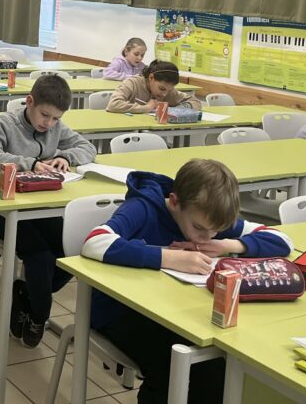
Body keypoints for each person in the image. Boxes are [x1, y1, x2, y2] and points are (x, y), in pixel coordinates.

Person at [82, 159, 293, 403]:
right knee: (170, 370)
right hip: (117, 310)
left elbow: (282, 240)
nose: (206, 236)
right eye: (199, 228)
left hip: (173, 313)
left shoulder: (207, 218)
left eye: (215, 231)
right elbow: (94, 242)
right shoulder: (143, 207)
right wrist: (168, 258)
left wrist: (228, 244)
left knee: (215, 367)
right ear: (174, 202)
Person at [0, 75, 96, 347]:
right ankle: (39, 315)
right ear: (30, 102)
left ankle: (28, 295)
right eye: (45, 115)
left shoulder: (56, 127)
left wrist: (64, 157)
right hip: (1, 211)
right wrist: (29, 163)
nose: (48, 123)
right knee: (41, 258)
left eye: (55, 118)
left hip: (40, 209)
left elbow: (88, 147)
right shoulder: (7, 123)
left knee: (74, 247)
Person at [106, 60, 202, 114]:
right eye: (162, 89)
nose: (164, 94)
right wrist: (146, 108)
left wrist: (176, 110)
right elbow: (113, 104)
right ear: (151, 77)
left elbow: (195, 101)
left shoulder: (168, 91)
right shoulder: (132, 83)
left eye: (169, 90)